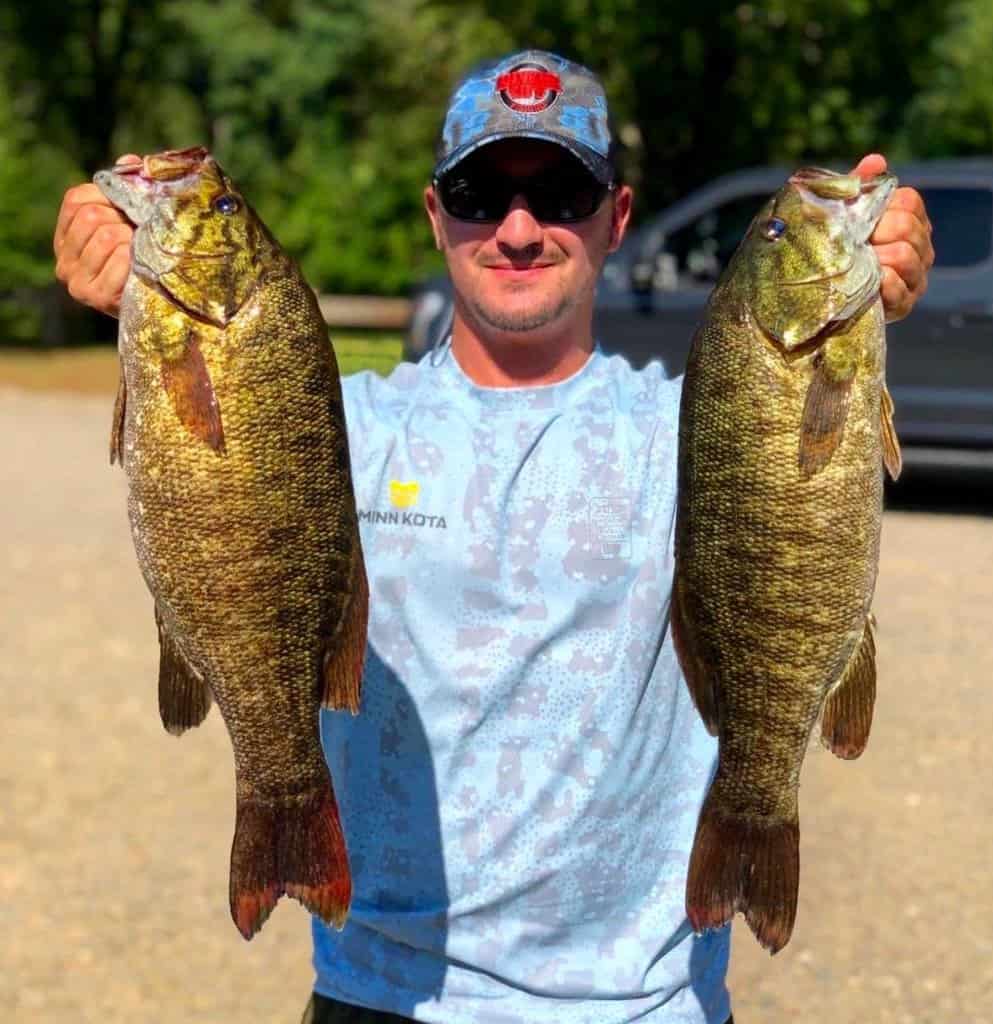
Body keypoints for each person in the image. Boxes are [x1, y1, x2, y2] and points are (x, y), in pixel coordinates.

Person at [54, 49, 933, 1024]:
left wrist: (862, 302)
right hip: (382, 992)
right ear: (437, 215)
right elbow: (213, 486)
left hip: (643, 1004)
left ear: (618, 218)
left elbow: (800, 469)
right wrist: (136, 306)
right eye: (481, 191)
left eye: (560, 191)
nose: (518, 228)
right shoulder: (335, 422)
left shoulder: (700, 422)